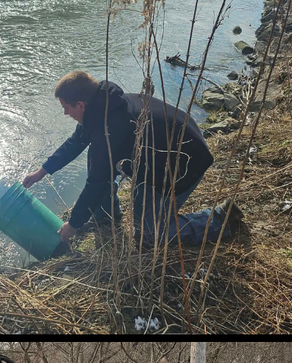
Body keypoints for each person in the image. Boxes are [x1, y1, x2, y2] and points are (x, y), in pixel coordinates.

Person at [21, 70, 242, 246]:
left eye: (66, 108)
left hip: (183, 163)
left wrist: (74, 224)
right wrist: (43, 171)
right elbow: (77, 142)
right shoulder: (102, 106)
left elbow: (97, 183)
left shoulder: (111, 128)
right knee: (99, 159)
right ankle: (106, 216)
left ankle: (219, 219)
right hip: (155, 159)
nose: (65, 114)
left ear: (80, 105)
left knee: (148, 236)